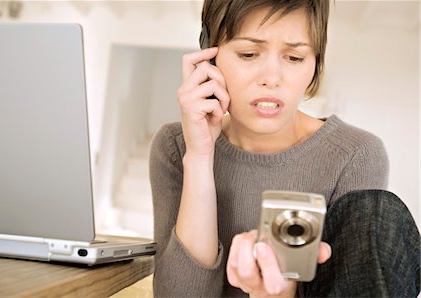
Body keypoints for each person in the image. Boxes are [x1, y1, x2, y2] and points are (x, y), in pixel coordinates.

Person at [149, 0, 420, 297]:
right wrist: (200, 157)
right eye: (248, 54)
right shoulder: (175, 147)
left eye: (294, 57)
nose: (272, 78)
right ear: (209, 58)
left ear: (315, 63)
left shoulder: (356, 155)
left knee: (379, 211)